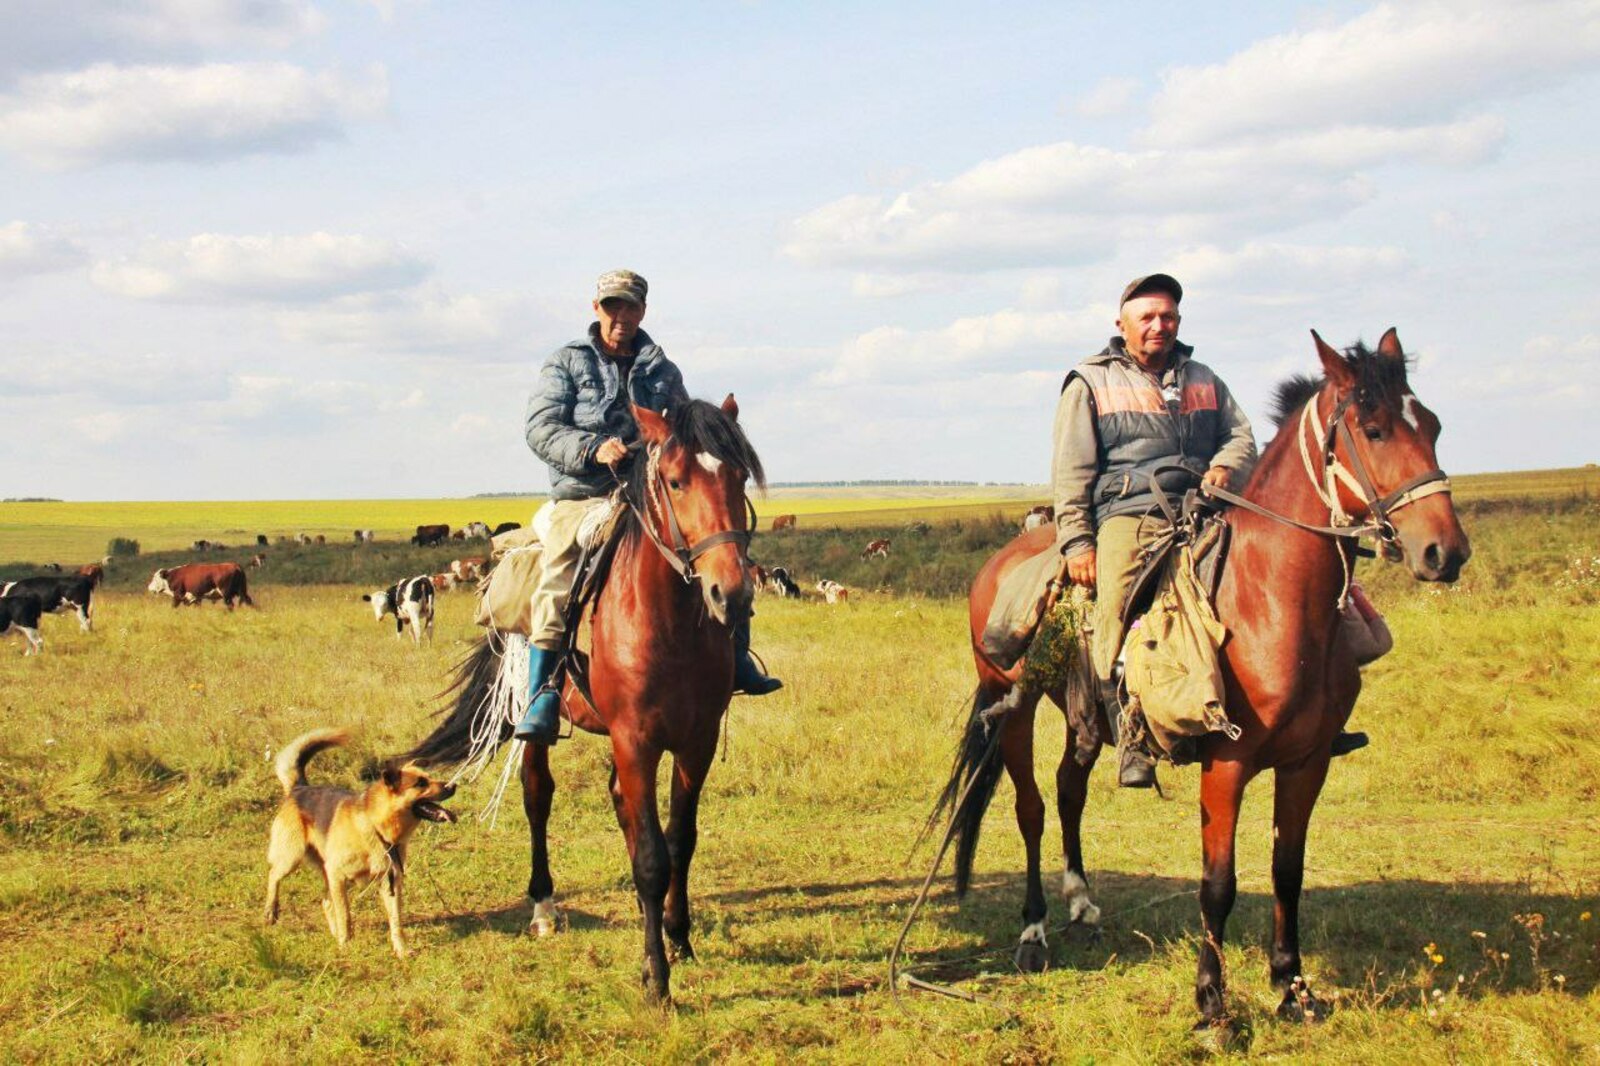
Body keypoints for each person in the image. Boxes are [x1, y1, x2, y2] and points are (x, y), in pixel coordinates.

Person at [512, 269, 781, 745]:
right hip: (587, 493)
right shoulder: (567, 363)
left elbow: (683, 430)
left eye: (630, 307)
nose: (621, 316)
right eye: (612, 306)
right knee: (560, 573)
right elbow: (540, 428)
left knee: (714, 551)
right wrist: (592, 448)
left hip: (652, 491)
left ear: (642, 311)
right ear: (596, 309)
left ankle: (736, 654)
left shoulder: (661, 368)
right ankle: (543, 692)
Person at [1051, 274, 1257, 787]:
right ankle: (1127, 726)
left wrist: (1226, 467)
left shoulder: (1204, 376)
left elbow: (1241, 436)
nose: (1158, 326)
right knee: (1117, 597)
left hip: (1207, 505)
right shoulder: (1090, 379)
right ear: (1121, 324)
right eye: (1147, 317)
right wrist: (1077, 542)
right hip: (1131, 512)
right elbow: (1071, 469)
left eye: (1167, 317)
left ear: (1179, 323)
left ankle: (1312, 710)